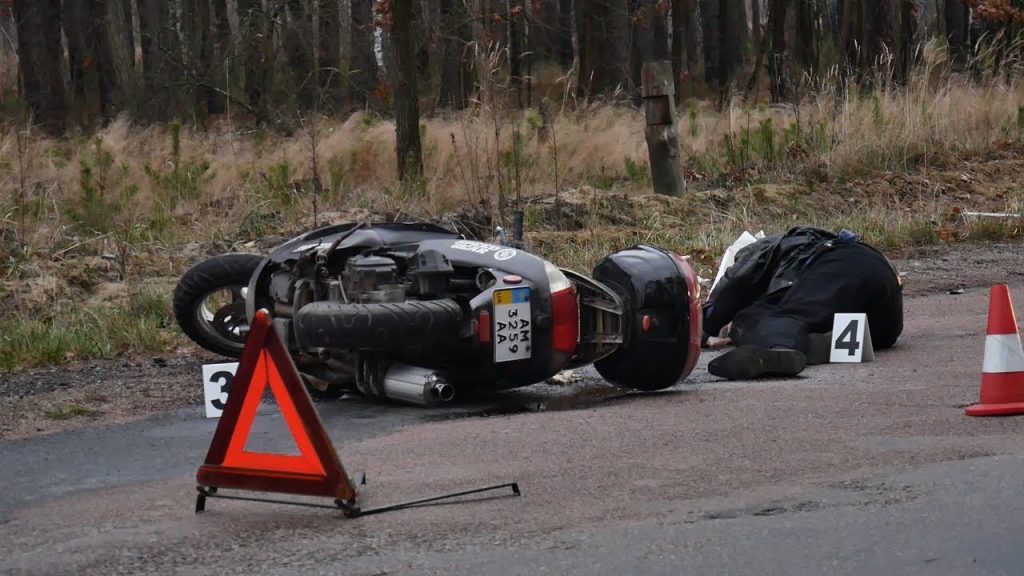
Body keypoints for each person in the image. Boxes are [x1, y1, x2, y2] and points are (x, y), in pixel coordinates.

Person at [702, 226, 903, 380]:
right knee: (816, 317)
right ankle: (820, 343)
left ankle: (781, 349)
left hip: (835, 264)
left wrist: (704, 324)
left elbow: (736, 282)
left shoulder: (765, 248)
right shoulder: (810, 246)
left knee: (764, 318)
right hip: (886, 308)